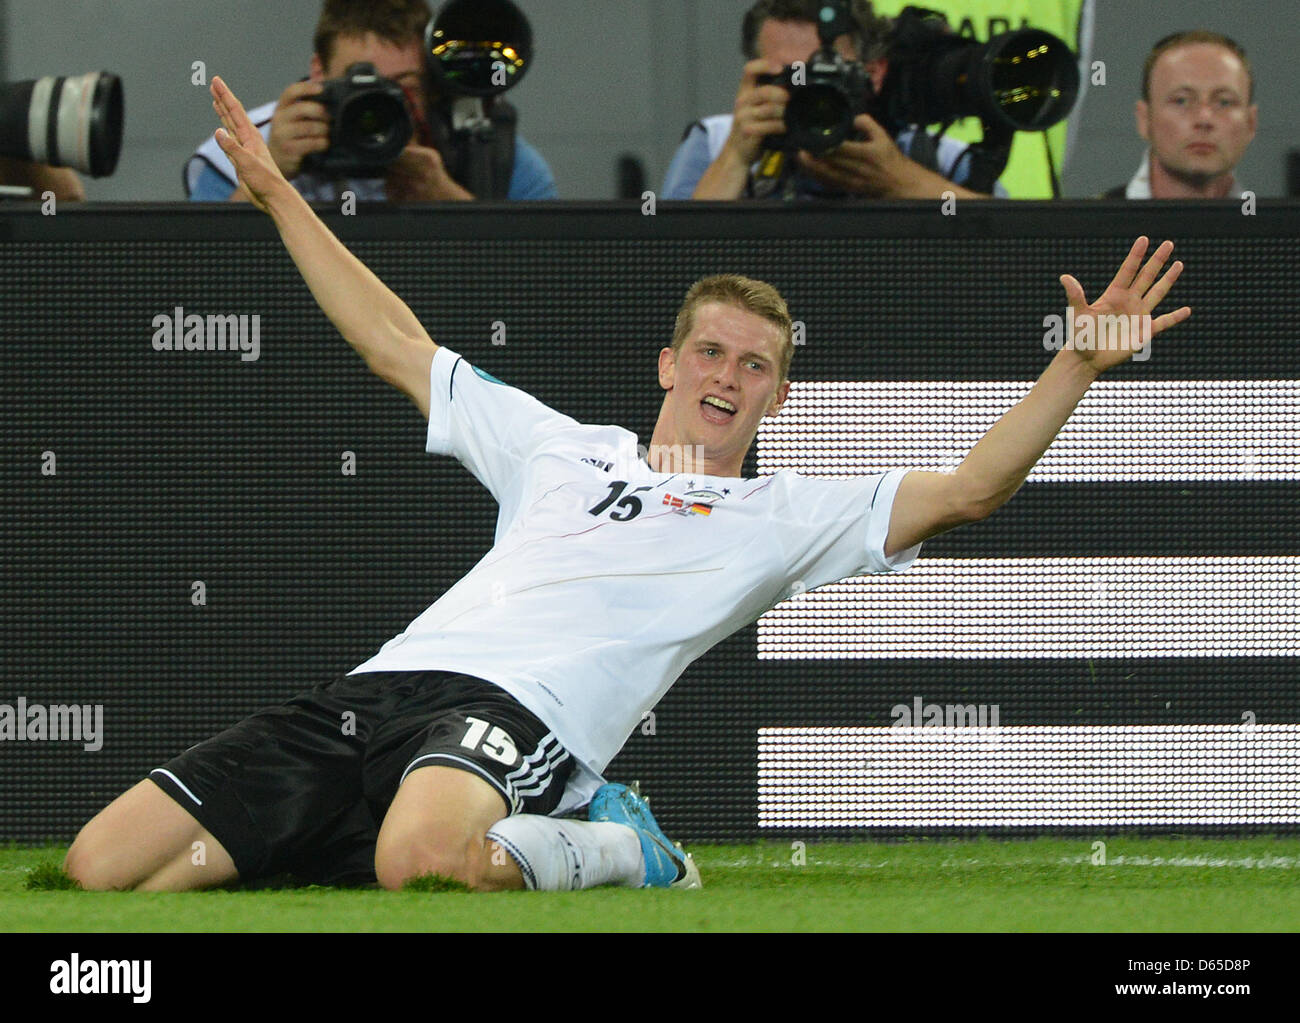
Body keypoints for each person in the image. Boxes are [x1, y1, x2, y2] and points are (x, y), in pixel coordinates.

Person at [62, 74, 1190, 895]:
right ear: (668, 363)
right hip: (383, 686)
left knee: (423, 864)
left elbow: (969, 490)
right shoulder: (559, 445)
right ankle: (333, 840)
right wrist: (279, 198)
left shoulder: (781, 517)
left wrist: (1075, 364)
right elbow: (394, 345)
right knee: (108, 870)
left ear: (777, 400)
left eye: (756, 367)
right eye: (711, 353)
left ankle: (620, 842)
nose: (728, 378)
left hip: (520, 718)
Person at [185, 0, 557, 203]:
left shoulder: (491, 155)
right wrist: (268, 175)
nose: (377, 103)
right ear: (318, 72)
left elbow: (540, 290)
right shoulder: (243, 147)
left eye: (403, 85)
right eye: (358, 83)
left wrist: (449, 204)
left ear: (430, 81)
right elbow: (197, 277)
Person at [662, 0, 1008, 200]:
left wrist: (903, 181)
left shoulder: (933, 156)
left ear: (873, 71)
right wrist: (737, 157)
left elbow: (1019, 248)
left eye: (824, 76)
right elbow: (668, 275)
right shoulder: (715, 142)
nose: (810, 95)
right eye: (791, 77)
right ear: (755, 76)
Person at [869, 0, 1096, 199]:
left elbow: (1063, 85)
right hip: (881, 154)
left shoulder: (945, 154)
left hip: (1017, 200)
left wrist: (911, 183)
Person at [1104, 30, 1257, 200]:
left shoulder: (1278, 226)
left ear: (1251, 123)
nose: (1204, 118)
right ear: (1145, 119)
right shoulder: (1087, 224)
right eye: (1181, 101)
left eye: (1224, 102)